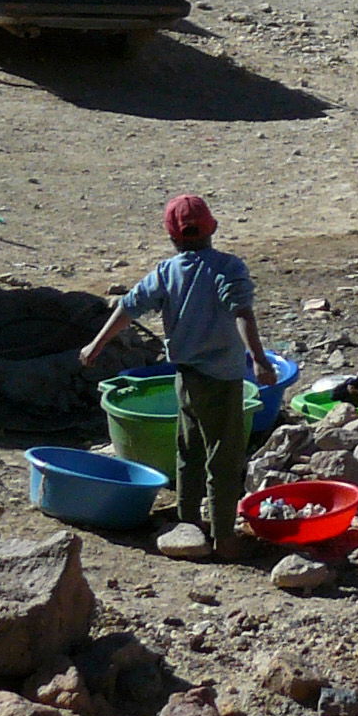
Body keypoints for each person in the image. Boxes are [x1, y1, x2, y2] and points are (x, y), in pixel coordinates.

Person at [82, 194, 278, 557]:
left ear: (172, 237)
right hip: (222, 380)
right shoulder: (228, 268)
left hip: (185, 378)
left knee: (189, 449)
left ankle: (189, 524)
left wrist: (96, 345)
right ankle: (224, 537)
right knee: (224, 456)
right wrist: (259, 359)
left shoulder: (166, 272)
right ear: (213, 228)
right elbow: (242, 313)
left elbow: (128, 307)